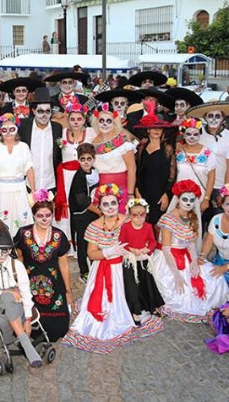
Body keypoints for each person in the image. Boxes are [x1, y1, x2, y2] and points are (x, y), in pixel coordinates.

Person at [61, 184, 164, 354]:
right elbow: (91, 254)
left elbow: (141, 240)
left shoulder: (127, 220)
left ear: (119, 204)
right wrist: (109, 251)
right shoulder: (94, 226)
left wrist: (139, 251)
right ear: (99, 207)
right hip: (103, 268)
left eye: (113, 203)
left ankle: (133, 311)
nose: (110, 208)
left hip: (125, 267)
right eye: (106, 204)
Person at [152, 179, 229, 322]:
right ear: (178, 200)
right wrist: (176, 275)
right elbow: (166, 249)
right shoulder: (169, 219)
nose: (188, 203)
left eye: (191, 200)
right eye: (185, 199)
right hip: (168, 259)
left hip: (186, 256)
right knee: (181, 291)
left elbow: (190, 245)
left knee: (213, 276)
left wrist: (194, 261)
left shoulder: (191, 217)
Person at [14, 190, 72, 342]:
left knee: (58, 330)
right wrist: (17, 283)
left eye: (48, 215)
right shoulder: (23, 233)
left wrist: (68, 291)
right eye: (40, 215)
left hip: (54, 286)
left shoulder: (59, 235)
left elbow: (64, 264)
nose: (44, 219)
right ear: (33, 215)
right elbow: (18, 258)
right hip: (28, 284)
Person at [0, 231, 43, 366]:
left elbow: (26, 293)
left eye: (4, 250)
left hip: (16, 307)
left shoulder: (17, 266)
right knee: (8, 298)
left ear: (10, 250)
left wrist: (27, 319)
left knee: (2, 320)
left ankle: (9, 339)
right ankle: (27, 345)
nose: (1, 254)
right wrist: (9, 292)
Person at [0, 113, 35, 234]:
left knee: (22, 221)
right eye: (4, 130)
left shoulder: (23, 147)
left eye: (12, 129)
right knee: (0, 222)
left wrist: (33, 191)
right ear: (0, 131)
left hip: (19, 191)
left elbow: (29, 169)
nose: (8, 132)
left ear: (17, 129)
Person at [53, 101, 95, 241]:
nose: (76, 122)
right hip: (65, 177)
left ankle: (79, 243)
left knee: (80, 205)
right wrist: (57, 114)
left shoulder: (91, 133)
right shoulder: (62, 132)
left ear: (84, 119)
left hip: (82, 176)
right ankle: (65, 243)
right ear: (68, 119)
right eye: (72, 119)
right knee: (66, 206)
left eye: (79, 119)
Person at [119, 198, 165, 322]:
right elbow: (122, 243)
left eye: (142, 214)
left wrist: (147, 249)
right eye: (135, 215)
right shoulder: (125, 227)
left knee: (147, 283)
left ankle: (150, 305)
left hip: (143, 259)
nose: (139, 217)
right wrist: (132, 249)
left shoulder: (148, 227)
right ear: (130, 215)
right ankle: (134, 309)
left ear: (146, 214)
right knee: (132, 284)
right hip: (130, 259)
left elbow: (152, 241)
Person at [133, 101, 177, 230]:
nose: (156, 130)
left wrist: (167, 195)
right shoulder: (141, 146)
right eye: (153, 127)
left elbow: (172, 175)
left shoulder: (168, 149)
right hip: (143, 192)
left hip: (160, 195)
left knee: (159, 227)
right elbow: (137, 170)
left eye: (159, 128)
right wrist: (136, 191)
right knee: (142, 225)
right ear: (148, 129)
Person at [91, 103, 136, 213]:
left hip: (121, 191)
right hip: (99, 192)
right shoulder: (92, 142)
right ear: (97, 122)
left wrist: (130, 193)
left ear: (114, 123)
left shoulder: (123, 142)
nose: (105, 124)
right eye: (101, 120)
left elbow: (132, 168)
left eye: (109, 121)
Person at [18, 88, 62, 197]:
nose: (44, 115)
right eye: (40, 111)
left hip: (50, 184)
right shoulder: (24, 126)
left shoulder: (57, 128)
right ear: (33, 111)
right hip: (27, 183)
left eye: (48, 111)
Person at [68, 143, 100, 282]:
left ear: (93, 159)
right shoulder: (79, 176)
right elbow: (82, 200)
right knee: (83, 243)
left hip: (92, 213)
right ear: (78, 160)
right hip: (81, 215)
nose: (86, 162)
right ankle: (84, 271)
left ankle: (95, 266)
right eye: (83, 159)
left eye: (89, 159)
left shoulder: (95, 172)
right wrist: (99, 212)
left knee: (94, 241)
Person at [174, 118, 215, 216]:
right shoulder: (177, 152)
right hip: (179, 196)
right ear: (183, 134)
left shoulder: (208, 153)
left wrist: (206, 199)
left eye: (195, 134)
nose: (192, 137)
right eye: (188, 134)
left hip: (199, 198)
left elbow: (212, 177)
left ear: (200, 134)